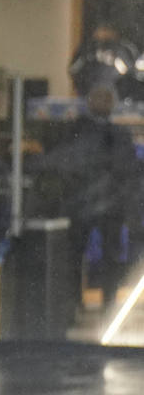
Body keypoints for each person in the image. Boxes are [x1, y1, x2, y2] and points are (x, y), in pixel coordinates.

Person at [44, 82, 141, 312]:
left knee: (93, 256)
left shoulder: (83, 132)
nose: (103, 104)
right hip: (94, 205)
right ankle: (90, 302)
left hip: (96, 205)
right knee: (88, 256)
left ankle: (93, 302)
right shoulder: (101, 133)